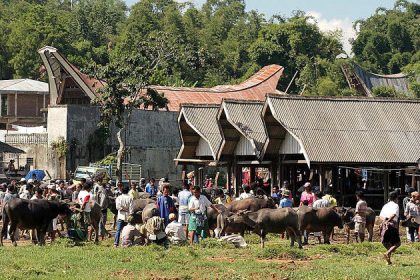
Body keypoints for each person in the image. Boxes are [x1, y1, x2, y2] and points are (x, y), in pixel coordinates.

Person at [379, 191, 401, 265]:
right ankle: (387, 253)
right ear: (396, 198)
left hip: (384, 226)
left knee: (388, 243)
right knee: (397, 243)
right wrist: (388, 221)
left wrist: (384, 221)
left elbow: (380, 216)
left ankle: (388, 261)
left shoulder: (385, 205)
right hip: (392, 226)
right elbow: (393, 215)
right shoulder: (396, 205)